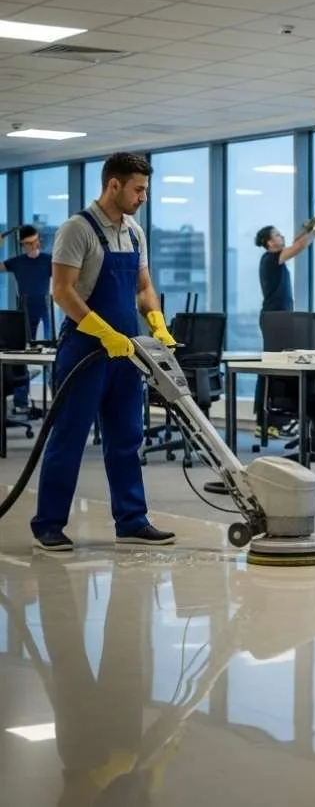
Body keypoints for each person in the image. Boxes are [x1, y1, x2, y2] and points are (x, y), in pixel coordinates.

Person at [31, 152, 177, 552]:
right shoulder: (76, 229)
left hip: (126, 350)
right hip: (85, 350)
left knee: (127, 436)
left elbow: (143, 287)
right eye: (139, 189)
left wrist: (157, 323)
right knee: (69, 437)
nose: (143, 196)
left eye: (145, 189)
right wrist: (101, 331)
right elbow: (62, 291)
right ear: (114, 185)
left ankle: (131, 520)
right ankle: (48, 525)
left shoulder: (134, 232)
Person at [253, 220, 315, 436]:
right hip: (275, 321)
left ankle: (273, 420)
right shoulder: (271, 259)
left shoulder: (273, 258)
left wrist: (309, 228)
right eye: (278, 235)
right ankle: (265, 420)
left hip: (280, 320)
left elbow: (296, 242)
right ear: (270, 243)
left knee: (278, 368)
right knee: (272, 368)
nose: (283, 237)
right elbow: (298, 247)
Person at [3, 224, 51, 413]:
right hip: (23, 314)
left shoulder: (48, 260)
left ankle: (56, 400)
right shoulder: (17, 262)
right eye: (27, 244)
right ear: (22, 244)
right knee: (19, 358)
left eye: (34, 242)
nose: (32, 246)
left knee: (52, 355)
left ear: (39, 240)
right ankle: (21, 402)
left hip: (45, 312)